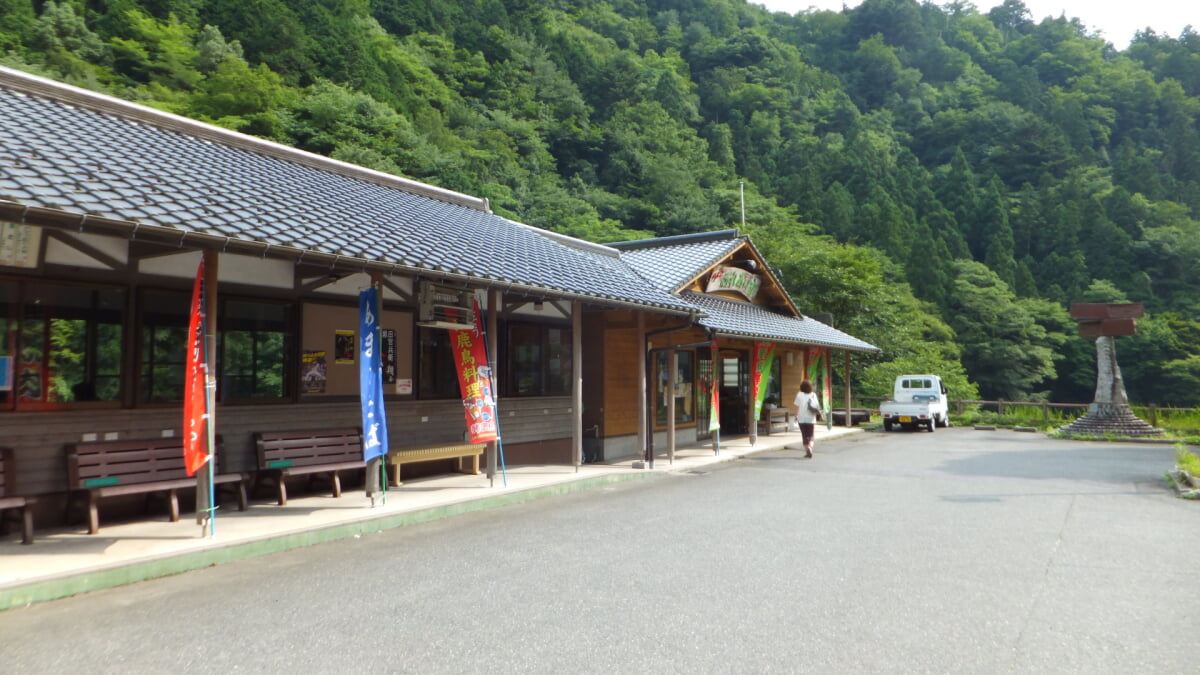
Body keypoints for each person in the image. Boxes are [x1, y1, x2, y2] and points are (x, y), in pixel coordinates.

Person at [793, 379, 820, 458]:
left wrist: (796, 415)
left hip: (801, 418)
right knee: (811, 435)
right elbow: (816, 406)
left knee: (804, 435)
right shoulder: (813, 395)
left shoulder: (799, 395)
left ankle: (807, 450)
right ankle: (810, 448)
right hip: (811, 418)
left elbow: (797, 406)